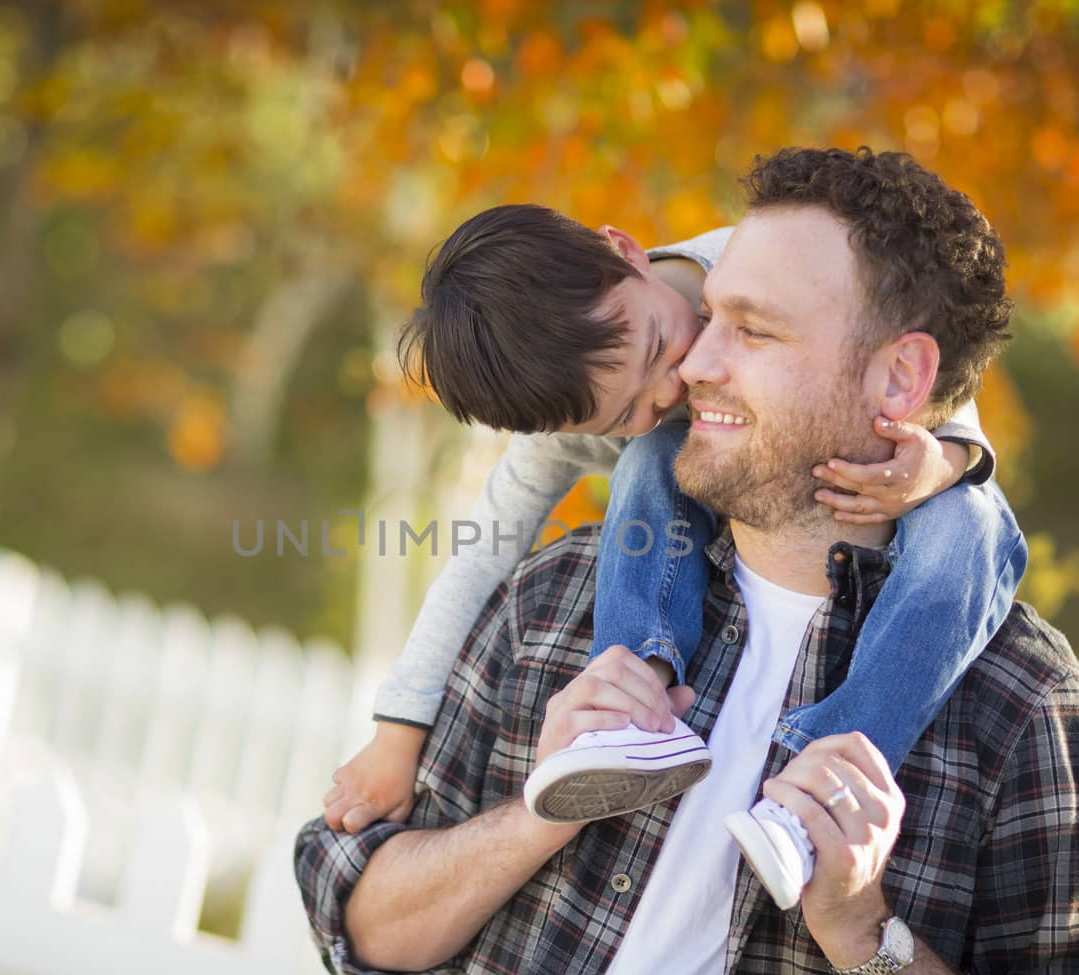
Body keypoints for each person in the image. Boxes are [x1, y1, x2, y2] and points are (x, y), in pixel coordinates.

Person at [297, 147, 1079, 975]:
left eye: (744, 330)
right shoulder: (554, 602)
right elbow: (358, 936)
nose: (686, 375)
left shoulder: (1025, 704)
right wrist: (511, 797)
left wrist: (867, 938)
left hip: (936, 493)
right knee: (644, 465)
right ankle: (641, 697)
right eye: (708, 325)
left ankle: (840, 748)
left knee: (973, 526)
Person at [322, 203, 1024, 909]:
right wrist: (396, 734)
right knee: (655, 455)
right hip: (713, 511)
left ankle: (829, 773)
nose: (667, 392)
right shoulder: (582, 423)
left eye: (661, 347)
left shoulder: (748, 265)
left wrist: (942, 463)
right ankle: (630, 701)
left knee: (969, 528)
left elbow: (927, 369)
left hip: (893, 468)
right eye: (619, 415)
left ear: (626, 252)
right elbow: (478, 559)